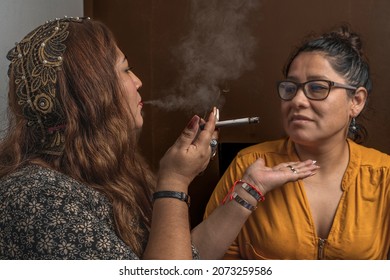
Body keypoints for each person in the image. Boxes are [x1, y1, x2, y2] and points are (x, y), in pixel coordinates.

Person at [0, 17, 318, 260]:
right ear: (92, 94)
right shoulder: (37, 197)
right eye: (125, 71)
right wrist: (175, 180)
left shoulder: (97, 172)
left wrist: (250, 190)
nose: (138, 81)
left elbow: (181, 259)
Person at [204, 24, 390, 259]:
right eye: (291, 88)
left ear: (357, 101)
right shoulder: (249, 165)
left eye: (317, 88)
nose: (297, 101)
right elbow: (202, 263)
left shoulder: (384, 176)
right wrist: (249, 192)